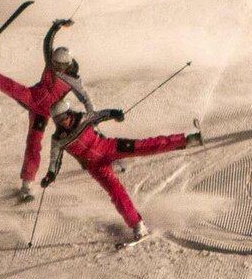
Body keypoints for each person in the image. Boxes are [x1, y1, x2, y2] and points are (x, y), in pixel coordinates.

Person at [40, 99, 204, 243]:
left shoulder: (83, 118)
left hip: (110, 147)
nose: (63, 122)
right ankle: (137, 226)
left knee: (145, 146)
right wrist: (51, 174)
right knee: (116, 192)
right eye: (59, 120)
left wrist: (114, 113)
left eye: (65, 117)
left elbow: (100, 115)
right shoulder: (59, 139)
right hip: (96, 166)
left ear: (70, 113)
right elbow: (55, 159)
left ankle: (188, 140)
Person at [0, 18, 94, 201]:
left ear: (66, 65)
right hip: (32, 96)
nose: (53, 67)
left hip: (42, 113)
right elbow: (47, 42)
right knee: (13, 88)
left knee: (35, 143)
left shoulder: (73, 80)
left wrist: (92, 112)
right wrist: (56, 26)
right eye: (53, 63)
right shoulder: (51, 63)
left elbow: (84, 96)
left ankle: (28, 184)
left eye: (58, 66)